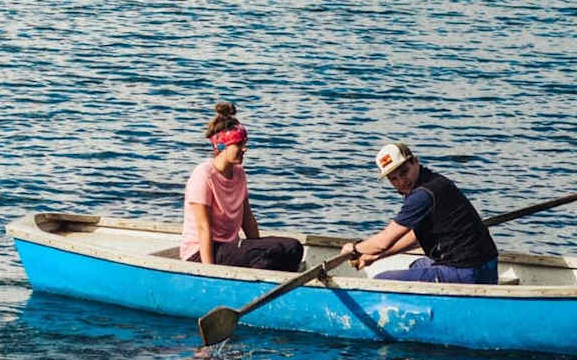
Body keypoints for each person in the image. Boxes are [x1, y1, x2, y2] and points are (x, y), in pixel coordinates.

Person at [341, 142, 499, 284]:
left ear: (415, 161)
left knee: (381, 281)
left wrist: (355, 248)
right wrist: (376, 256)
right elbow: (416, 237)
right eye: (393, 179)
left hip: (468, 272)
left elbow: (383, 242)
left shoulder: (422, 195)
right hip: (487, 266)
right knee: (417, 265)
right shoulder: (434, 181)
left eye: (404, 172)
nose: (401, 182)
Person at [178, 102, 303, 271]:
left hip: (228, 248)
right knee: (273, 252)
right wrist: (208, 272)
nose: (245, 149)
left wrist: (258, 245)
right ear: (221, 146)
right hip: (201, 253)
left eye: (245, 143)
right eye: (239, 144)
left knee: (293, 248)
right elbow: (203, 228)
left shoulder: (239, 174)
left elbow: (247, 219)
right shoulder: (203, 175)